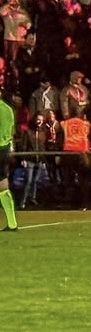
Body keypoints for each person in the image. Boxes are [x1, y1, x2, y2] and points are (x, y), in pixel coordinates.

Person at [0, 94, 16, 231]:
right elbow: (12, 131)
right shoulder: (8, 109)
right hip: (4, 149)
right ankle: (12, 223)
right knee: (3, 184)